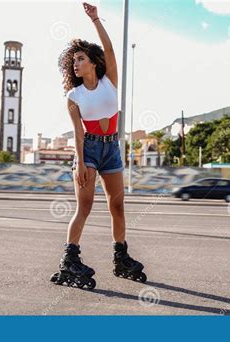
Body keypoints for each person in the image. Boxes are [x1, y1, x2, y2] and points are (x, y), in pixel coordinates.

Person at [50, 2, 146, 289]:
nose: (76, 64)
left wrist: (95, 20)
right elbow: (78, 133)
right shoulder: (73, 95)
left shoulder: (110, 82)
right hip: (89, 149)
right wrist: (80, 162)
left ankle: (120, 257)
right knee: (86, 206)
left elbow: (110, 48)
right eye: (73, 61)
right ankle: (70, 260)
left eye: (80, 59)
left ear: (93, 61)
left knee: (118, 206)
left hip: (112, 149)